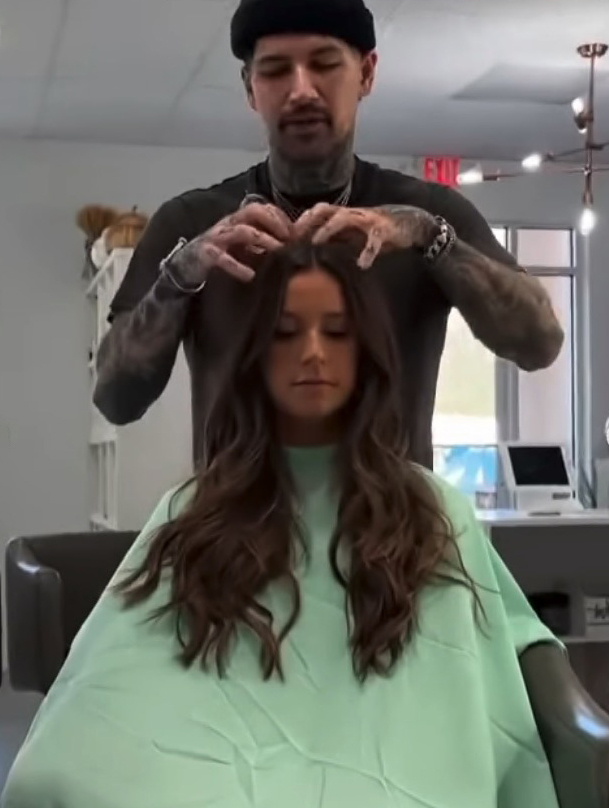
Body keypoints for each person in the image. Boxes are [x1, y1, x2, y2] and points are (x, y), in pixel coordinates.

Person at [2, 239, 560, 808]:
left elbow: (479, 685)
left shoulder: (433, 510)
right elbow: (110, 684)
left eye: (337, 332)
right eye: (287, 333)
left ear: (365, 350)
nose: (313, 352)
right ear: (257, 355)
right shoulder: (194, 509)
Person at [92, 0, 564, 471]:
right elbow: (115, 397)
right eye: (276, 70)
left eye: (324, 64)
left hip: (395, 536)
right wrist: (180, 276)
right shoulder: (190, 223)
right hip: (238, 538)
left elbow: (539, 343)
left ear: (366, 73)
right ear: (250, 89)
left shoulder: (432, 216)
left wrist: (430, 238)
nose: (301, 90)